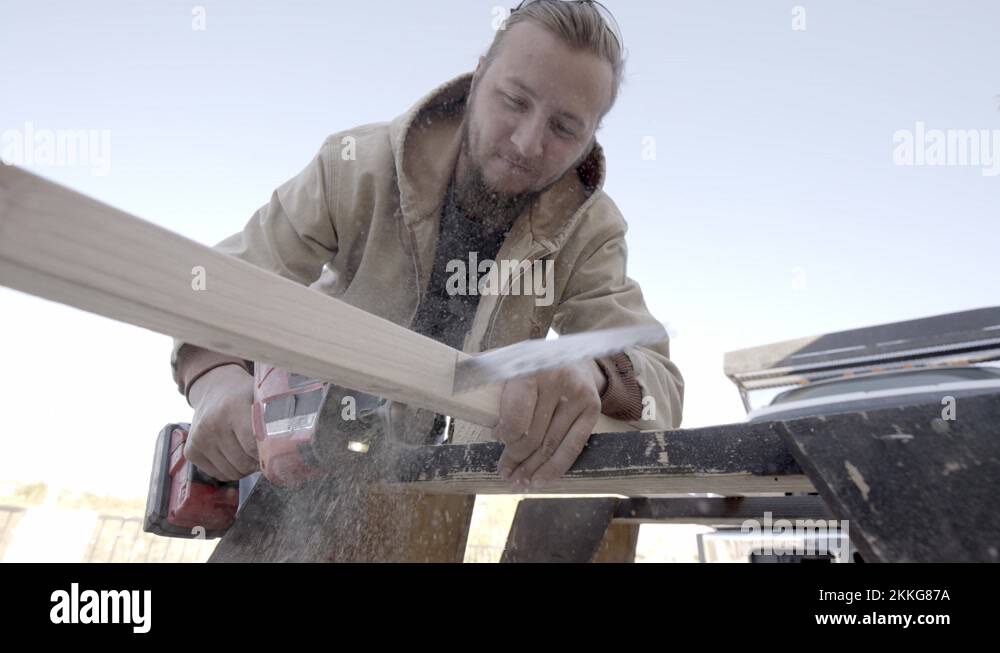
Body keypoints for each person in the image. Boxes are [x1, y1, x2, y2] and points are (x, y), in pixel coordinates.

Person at [172, 0, 684, 561]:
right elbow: (222, 283)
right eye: (514, 101)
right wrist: (215, 380)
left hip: (437, 488)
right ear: (481, 71)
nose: (527, 143)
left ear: (592, 136)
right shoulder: (356, 164)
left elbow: (657, 380)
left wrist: (592, 370)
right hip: (303, 463)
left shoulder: (592, 230)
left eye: (565, 128)